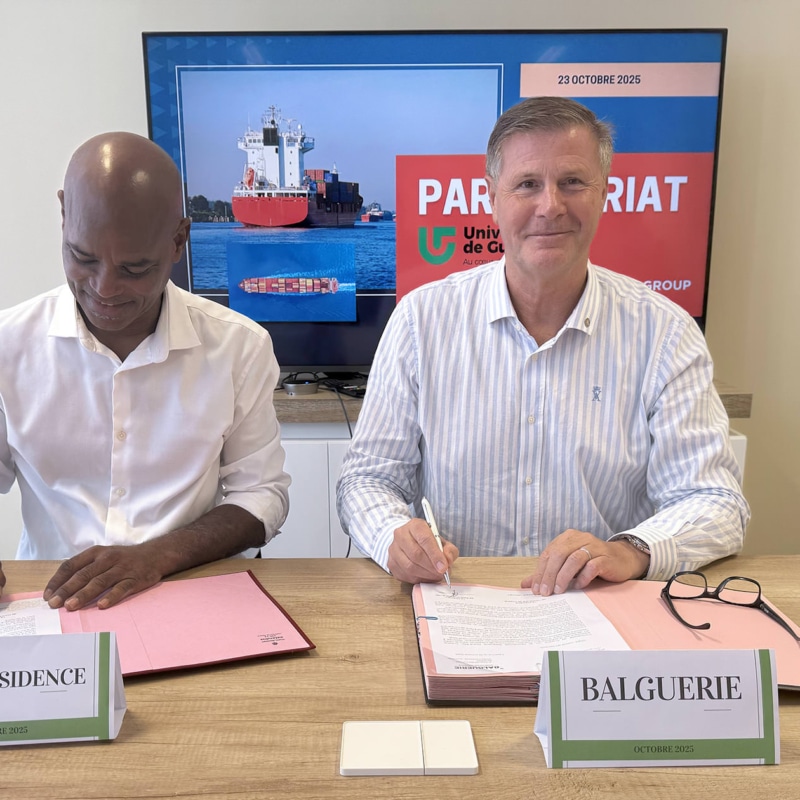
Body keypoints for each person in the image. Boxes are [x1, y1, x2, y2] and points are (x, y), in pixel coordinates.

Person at [337, 97, 749, 596]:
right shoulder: (421, 321)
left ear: (604, 194)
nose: (550, 205)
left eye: (572, 182)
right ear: (491, 199)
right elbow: (367, 480)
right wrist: (391, 537)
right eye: (528, 184)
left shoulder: (664, 332)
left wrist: (629, 550)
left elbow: (715, 500)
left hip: (602, 608)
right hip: (459, 601)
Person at [0, 132, 290, 610]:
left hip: (187, 594)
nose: (104, 289)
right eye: (82, 257)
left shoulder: (239, 347)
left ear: (179, 240)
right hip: (51, 606)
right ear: (63, 215)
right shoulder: (10, 345)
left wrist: (156, 557)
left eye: (135, 269)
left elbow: (262, 496)